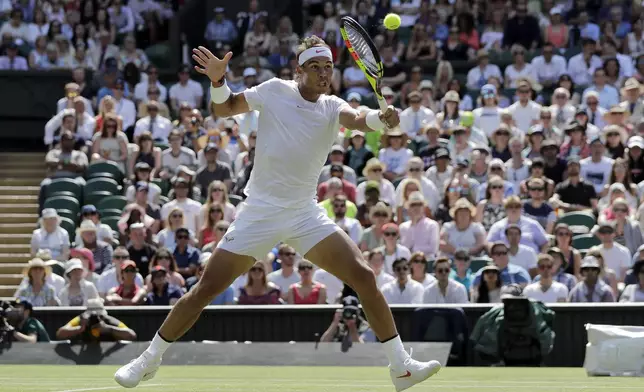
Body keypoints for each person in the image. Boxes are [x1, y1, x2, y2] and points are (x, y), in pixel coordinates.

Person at [116, 39, 439, 388]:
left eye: (328, 67)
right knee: (205, 289)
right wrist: (218, 82)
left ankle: (400, 366)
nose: (323, 73)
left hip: (304, 213)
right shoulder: (274, 90)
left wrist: (381, 117)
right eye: (315, 67)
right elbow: (225, 110)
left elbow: (360, 119)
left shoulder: (332, 106)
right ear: (298, 71)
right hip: (260, 212)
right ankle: (148, 360)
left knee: (363, 275)